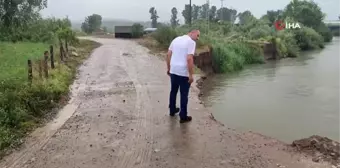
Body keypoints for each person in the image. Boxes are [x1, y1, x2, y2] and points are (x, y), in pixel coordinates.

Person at [166, 29, 200, 123]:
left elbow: (168, 54)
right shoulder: (191, 42)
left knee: (173, 91)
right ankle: (183, 116)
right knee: (184, 94)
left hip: (174, 70)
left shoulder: (176, 39)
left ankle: (172, 111)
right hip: (183, 72)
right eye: (197, 35)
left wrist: (169, 68)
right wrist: (190, 75)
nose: (198, 38)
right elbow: (189, 58)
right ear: (192, 33)